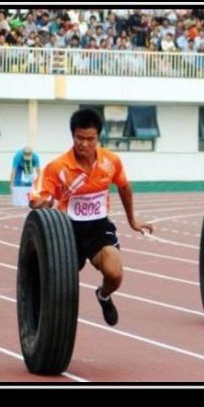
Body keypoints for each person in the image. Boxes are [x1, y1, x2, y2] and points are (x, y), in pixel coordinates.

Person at [29, 109, 153, 325]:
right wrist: (43, 203)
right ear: (73, 136)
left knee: (115, 273)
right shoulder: (58, 167)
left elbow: (124, 187)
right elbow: (36, 198)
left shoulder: (110, 161)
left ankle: (103, 295)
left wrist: (132, 220)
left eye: (90, 139)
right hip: (67, 229)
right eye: (79, 138)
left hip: (98, 227)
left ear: (98, 137)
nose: (84, 144)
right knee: (63, 281)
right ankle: (42, 313)